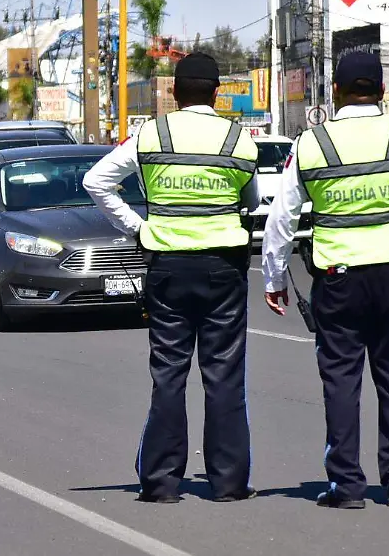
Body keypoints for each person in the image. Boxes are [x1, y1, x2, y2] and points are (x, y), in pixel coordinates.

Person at [262, 52, 389, 509]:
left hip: (339, 282)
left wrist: (274, 278)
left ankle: (346, 486)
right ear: (383, 91)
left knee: (341, 381)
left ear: (335, 92)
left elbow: (281, 220)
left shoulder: (311, 144)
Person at [83, 53, 259, 504]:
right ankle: (228, 483)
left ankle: (160, 482)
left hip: (167, 267)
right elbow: (250, 201)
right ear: (216, 93)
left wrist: (137, 227)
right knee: (223, 375)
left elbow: (96, 181)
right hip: (223, 267)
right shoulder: (239, 141)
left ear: (175, 93)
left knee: (169, 374)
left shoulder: (150, 134)